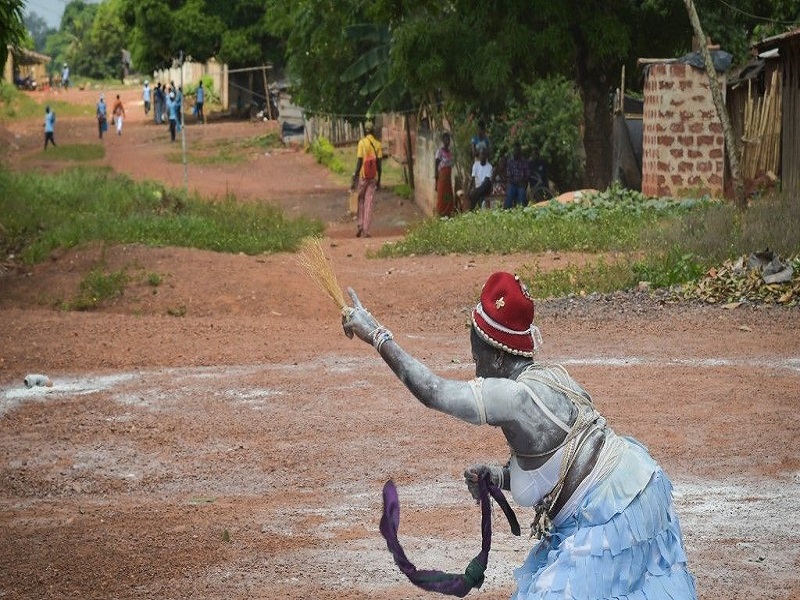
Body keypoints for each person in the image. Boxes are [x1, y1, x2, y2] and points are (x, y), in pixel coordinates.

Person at [342, 271, 697, 600]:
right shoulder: (550, 375)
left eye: (476, 353)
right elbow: (563, 468)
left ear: (496, 358)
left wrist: (376, 333)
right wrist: (499, 476)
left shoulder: (513, 396)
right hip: (637, 492)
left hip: (614, 518)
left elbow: (433, 391)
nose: (475, 366)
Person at [350, 120, 383, 238]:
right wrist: (379, 180)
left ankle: (360, 225)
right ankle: (366, 230)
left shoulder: (362, 143)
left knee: (360, 200)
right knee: (369, 202)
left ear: (365, 131)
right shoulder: (378, 144)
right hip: (373, 177)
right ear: (373, 131)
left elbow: (359, 161)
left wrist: (354, 177)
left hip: (363, 176)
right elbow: (379, 165)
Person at [434, 132, 456, 217]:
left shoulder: (450, 152)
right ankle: (441, 212)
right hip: (442, 177)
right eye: (446, 139)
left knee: (448, 195)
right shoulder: (439, 152)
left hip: (448, 178)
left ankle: (448, 212)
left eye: (449, 139)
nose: (448, 141)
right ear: (443, 140)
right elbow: (436, 165)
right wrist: (436, 177)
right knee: (442, 194)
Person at [504, 142, 530, 209]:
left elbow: (527, 175)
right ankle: (506, 213)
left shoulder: (524, 161)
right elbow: (509, 175)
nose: (516, 152)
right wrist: (515, 181)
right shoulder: (510, 161)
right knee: (509, 198)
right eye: (515, 150)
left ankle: (520, 212)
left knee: (521, 199)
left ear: (520, 151)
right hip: (512, 183)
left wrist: (523, 181)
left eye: (517, 150)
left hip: (521, 184)